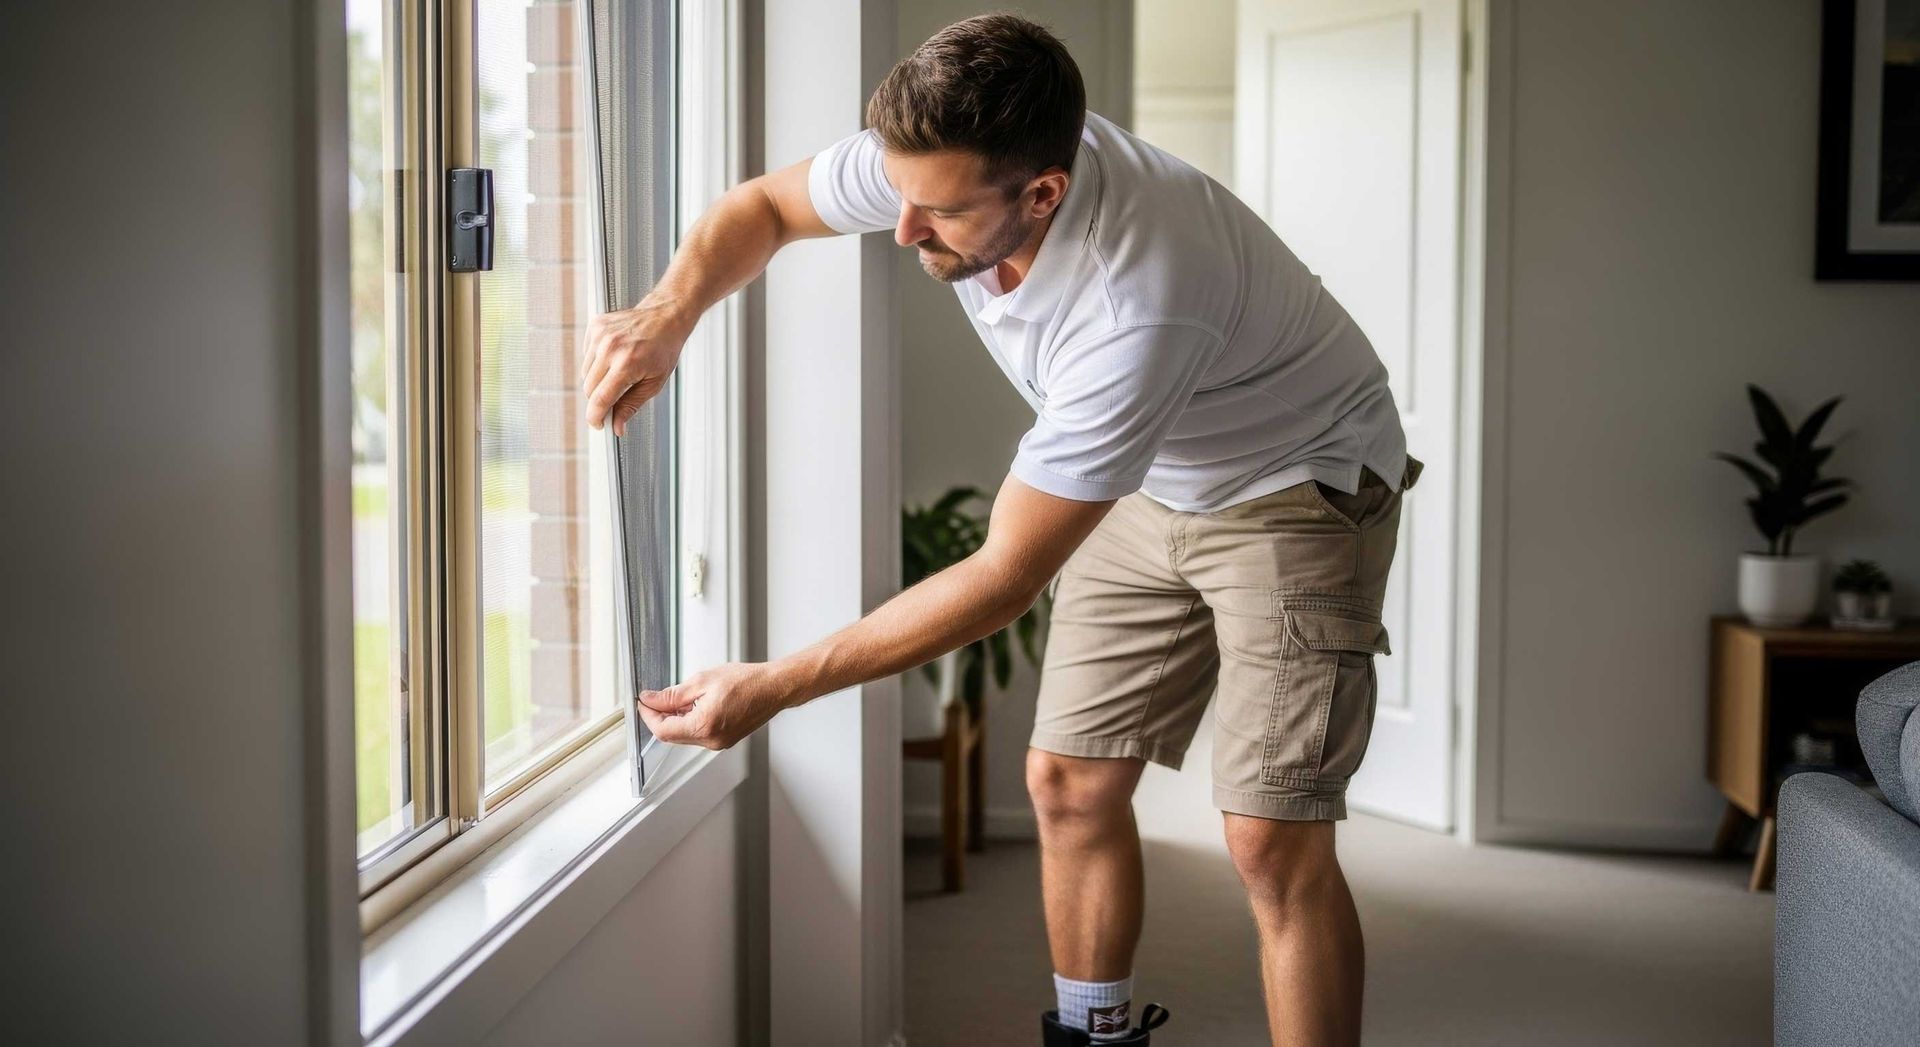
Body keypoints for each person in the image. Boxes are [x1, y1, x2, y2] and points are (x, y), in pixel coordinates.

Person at [581, 13, 1418, 1046]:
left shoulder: (1137, 303)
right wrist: (669, 311)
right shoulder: (939, 164)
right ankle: (1094, 1036)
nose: (902, 230)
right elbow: (762, 206)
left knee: (1268, 835)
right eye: (899, 194)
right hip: (1152, 473)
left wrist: (774, 686)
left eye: (937, 212)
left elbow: (1003, 577)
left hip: (1295, 484)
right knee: (1066, 781)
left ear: (1043, 194)